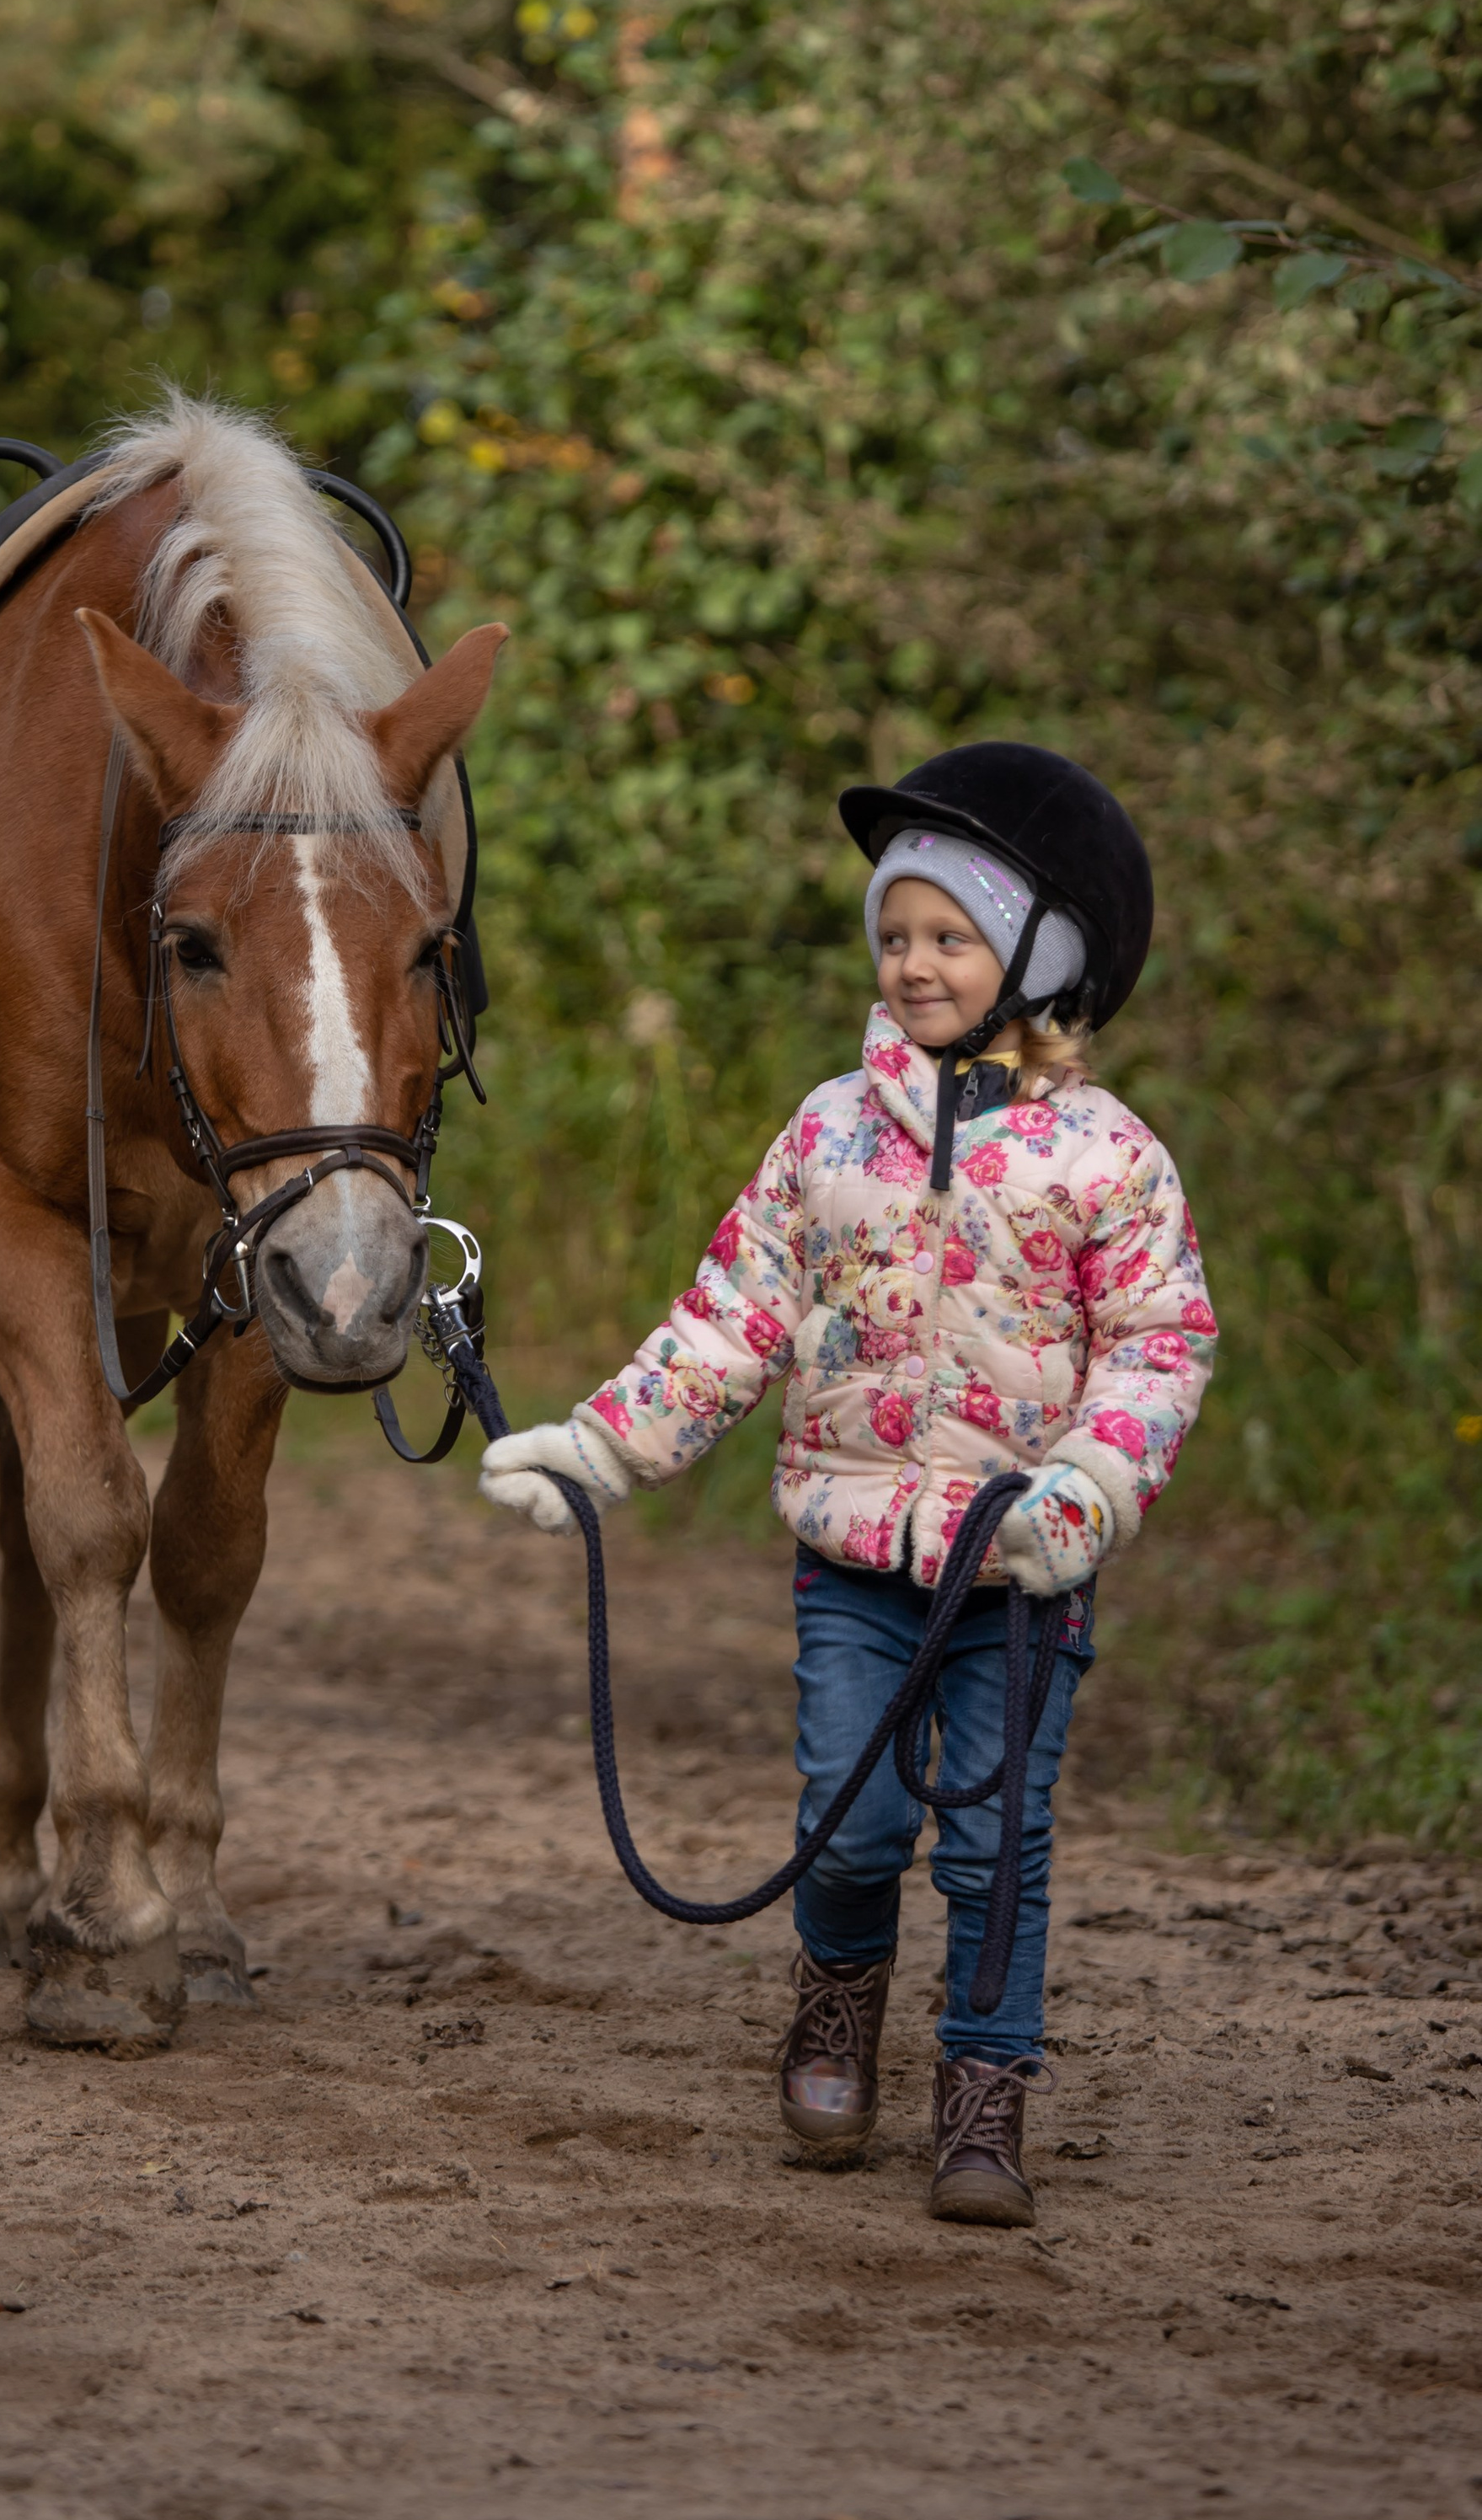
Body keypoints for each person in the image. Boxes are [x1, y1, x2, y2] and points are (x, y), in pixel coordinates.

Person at [480, 746, 1216, 2227]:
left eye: (951, 936)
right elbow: (731, 1315)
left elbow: (1159, 1343)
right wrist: (605, 1449)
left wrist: (1088, 1487)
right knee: (854, 1815)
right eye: (895, 935)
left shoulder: (1108, 1157)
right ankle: (836, 2005)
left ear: (1038, 960)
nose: (913, 964)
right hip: (856, 1558)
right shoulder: (827, 1131)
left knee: (1000, 1842)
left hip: (1018, 1570)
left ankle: (986, 2093)